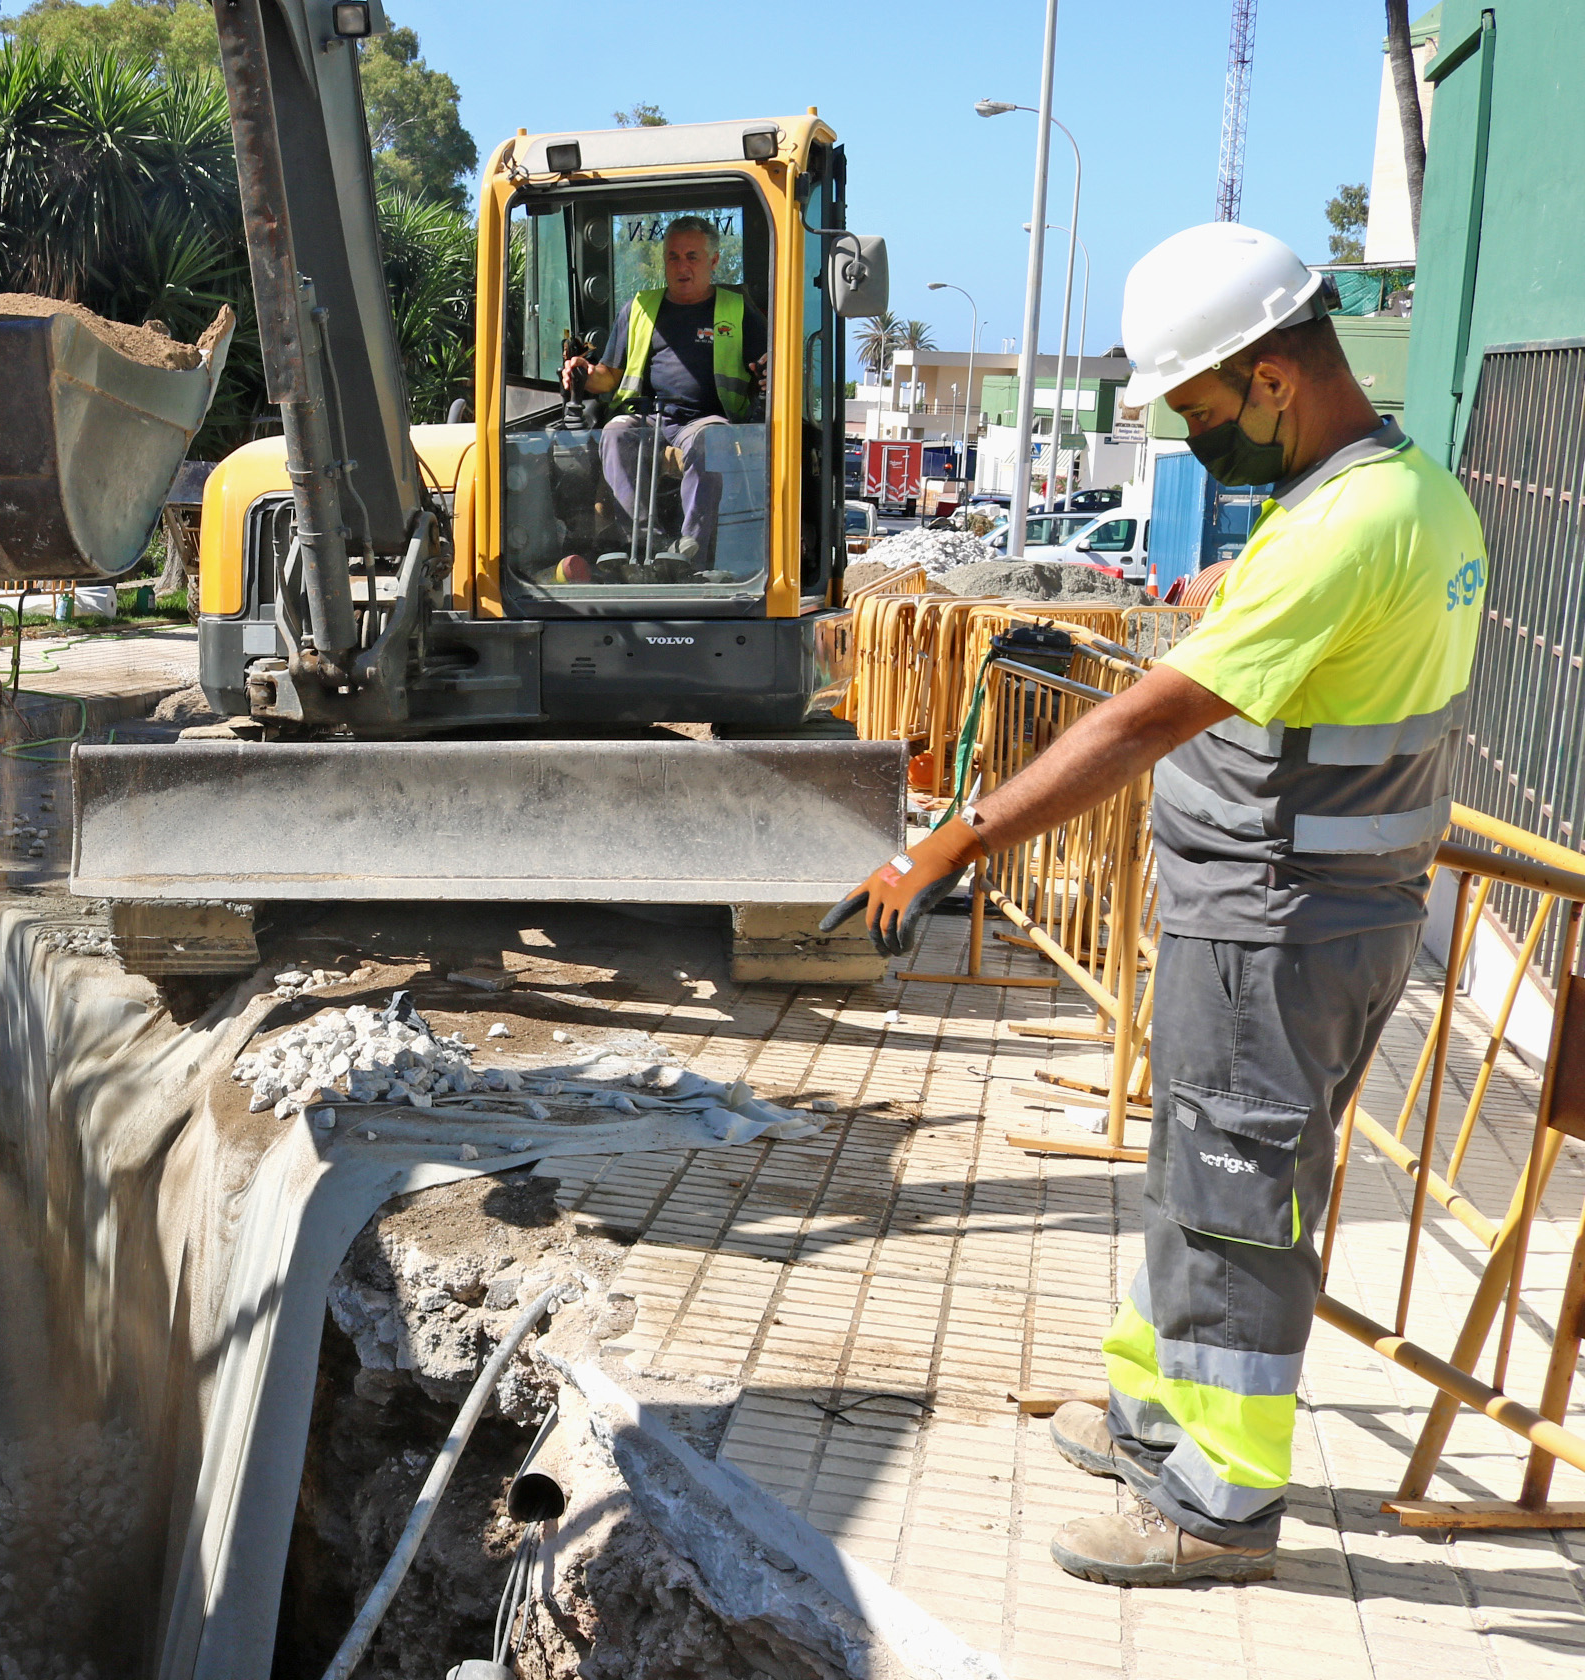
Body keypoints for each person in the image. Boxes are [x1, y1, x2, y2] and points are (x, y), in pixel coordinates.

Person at [819, 223, 1485, 1587]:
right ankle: (1151, 1417)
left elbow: (1139, 726)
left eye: (1194, 408)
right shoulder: (1414, 499)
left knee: (1239, 1199)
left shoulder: (1342, 532)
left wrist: (956, 844)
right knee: (1202, 1174)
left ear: (1271, 377)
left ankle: (1217, 1510)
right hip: (1308, 914)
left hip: (1277, 922)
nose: (1192, 441)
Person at [578, 215, 766, 568]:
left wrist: (768, 372)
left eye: (692, 257)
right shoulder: (639, 309)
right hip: (649, 416)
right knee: (615, 433)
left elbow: (769, 363)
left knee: (712, 441)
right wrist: (583, 375)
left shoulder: (738, 311)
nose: (682, 266)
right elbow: (608, 376)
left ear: (713, 261)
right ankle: (645, 538)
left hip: (706, 418)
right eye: (673, 257)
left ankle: (690, 549)